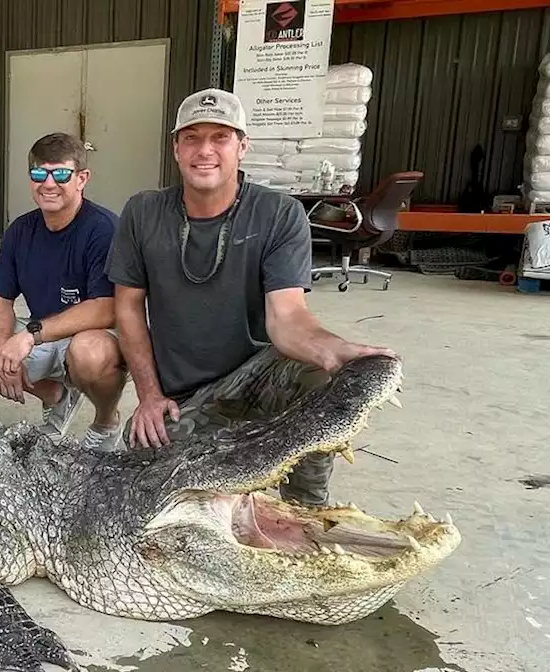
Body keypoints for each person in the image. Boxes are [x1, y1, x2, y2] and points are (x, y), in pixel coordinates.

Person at [106, 88, 397, 506]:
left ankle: (305, 509)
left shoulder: (278, 215)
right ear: (175, 147)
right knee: (144, 469)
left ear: (242, 146)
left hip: (258, 378)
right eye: (192, 137)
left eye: (220, 137)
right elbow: (129, 308)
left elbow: (288, 317)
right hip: (187, 395)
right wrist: (149, 395)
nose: (204, 150)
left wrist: (333, 351)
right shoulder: (143, 212)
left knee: (315, 377)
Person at [0, 132, 128, 449]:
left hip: (93, 336)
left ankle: (106, 420)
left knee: (88, 354)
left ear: (82, 179)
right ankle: (53, 395)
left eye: (61, 174)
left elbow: (106, 307)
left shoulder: (104, 229)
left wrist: (30, 335)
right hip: (40, 332)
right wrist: (5, 351)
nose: (49, 183)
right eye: (40, 173)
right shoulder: (21, 230)